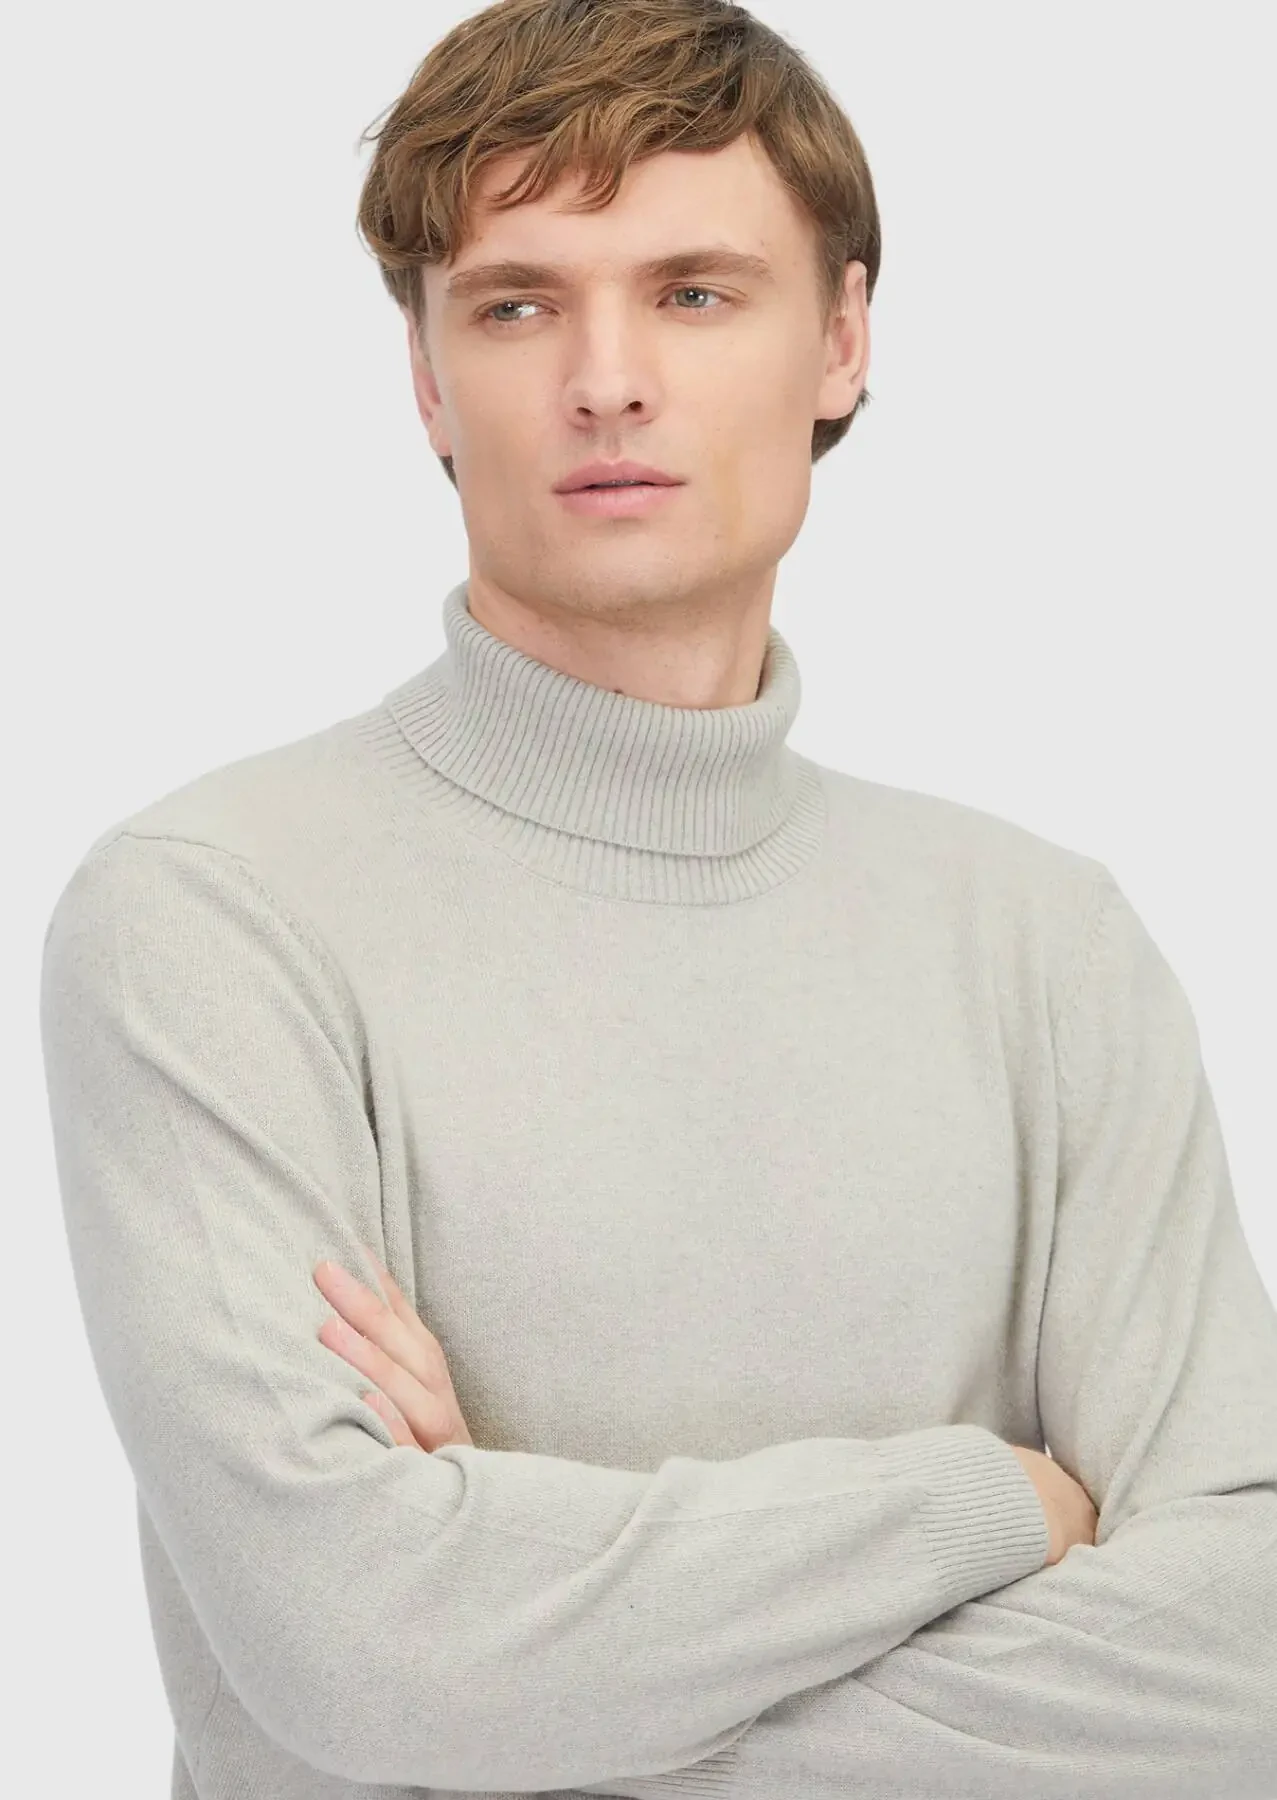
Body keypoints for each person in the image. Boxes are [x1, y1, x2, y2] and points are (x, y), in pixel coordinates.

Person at [38, 3, 1277, 1798]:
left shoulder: (1046, 946)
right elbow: (367, 1647)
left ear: (841, 339)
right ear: (425, 376)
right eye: (516, 304)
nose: (606, 379)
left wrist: (536, 1673)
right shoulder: (212, 921)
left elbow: (1248, 1649)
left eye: (695, 293)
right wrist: (990, 1504)